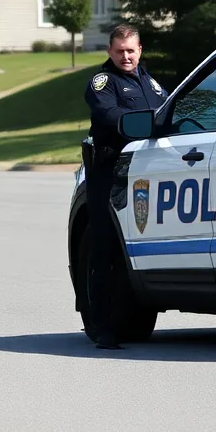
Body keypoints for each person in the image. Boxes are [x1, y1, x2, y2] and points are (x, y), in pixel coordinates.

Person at [83, 23, 169, 349]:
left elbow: (168, 111)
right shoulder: (102, 82)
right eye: (119, 51)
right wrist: (136, 124)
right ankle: (101, 327)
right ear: (110, 51)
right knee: (104, 249)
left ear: (140, 49)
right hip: (111, 173)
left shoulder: (151, 82)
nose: (126, 57)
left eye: (131, 50)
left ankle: (131, 313)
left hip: (146, 174)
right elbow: (109, 115)